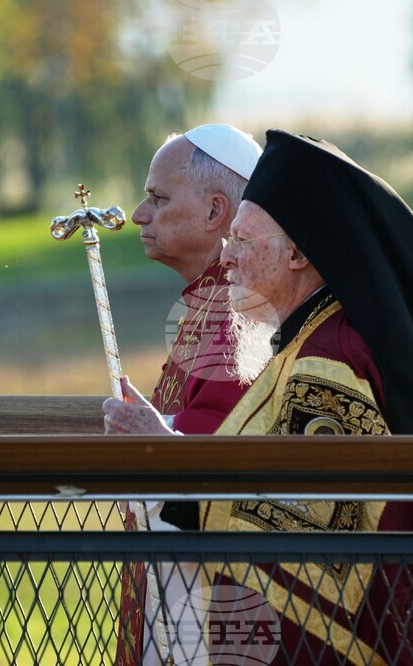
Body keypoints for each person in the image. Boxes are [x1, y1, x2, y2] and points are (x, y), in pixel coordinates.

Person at [104, 130, 413, 665]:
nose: (228, 260)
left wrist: (171, 463)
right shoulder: (306, 337)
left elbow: (312, 518)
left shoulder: (328, 359)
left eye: (243, 243)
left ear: (296, 253)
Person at [115, 124, 262, 666]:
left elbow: (226, 450)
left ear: (214, 212)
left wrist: (157, 434)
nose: (138, 214)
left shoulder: (241, 313)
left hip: (214, 600)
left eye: (157, 198)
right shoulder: (207, 305)